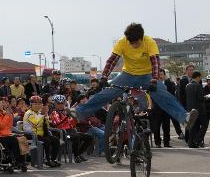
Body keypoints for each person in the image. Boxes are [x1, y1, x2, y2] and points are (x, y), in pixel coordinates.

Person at [67, 23, 198, 131]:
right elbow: (112, 61)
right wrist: (104, 77)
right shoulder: (122, 42)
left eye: (136, 43)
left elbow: (155, 62)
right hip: (127, 74)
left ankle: (184, 118)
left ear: (142, 38)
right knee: (107, 92)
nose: (134, 45)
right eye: (132, 43)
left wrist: (154, 80)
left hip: (146, 75)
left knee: (162, 92)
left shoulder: (149, 42)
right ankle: (80, 112)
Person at [0, 96, 26, 169]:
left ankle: (21, 162)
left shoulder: (0, 112)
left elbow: (9, 125)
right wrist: (6, 115)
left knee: (21, 138)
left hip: (4, 134)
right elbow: (1, 126)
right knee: (14, 140)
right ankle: (16, 161)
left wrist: (8, 114)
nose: (1, 104)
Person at [50, 95, 93, 163]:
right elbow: (57, 124)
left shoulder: (65, 112)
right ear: (55, 104)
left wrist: (75, 118)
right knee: (76, 137)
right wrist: (67, 116)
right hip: (62, 135)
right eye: (58, 103)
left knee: (89, 137)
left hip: (71, 132)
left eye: (62, 103)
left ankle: (79, 153)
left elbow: (72, 124)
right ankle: (76, 156)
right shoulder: (54, 113)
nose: (61, 105)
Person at [23, 95, 61, 167]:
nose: (38, 105)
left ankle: (53, 159)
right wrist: (43, 115)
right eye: (35, 104)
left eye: (39, 103)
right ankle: (47, 160)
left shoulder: (39, 113)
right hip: (31, 135)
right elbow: (36, 123)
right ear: (31, 105)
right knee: (47, 140)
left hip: (41, 134)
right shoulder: (29, 113)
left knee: (55, 140)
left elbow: (46, 125)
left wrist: (45, 117)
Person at [161, 69, 184, 140]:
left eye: (162, 74)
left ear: (165, 74)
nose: (160, 76)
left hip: (170, 105)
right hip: (163, 105)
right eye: (159, 74)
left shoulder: (170, 83)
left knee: (174, 120)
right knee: (164, 122)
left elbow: (172, 93)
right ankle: (166, 136)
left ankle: (180, 133)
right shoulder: (158, 83)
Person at [186, 71, 206, 148]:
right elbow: (200, 98)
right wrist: (206, 97)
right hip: (199, 109)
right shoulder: (198, 86)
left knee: (193, 126)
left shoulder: (188, 85)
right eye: (200, 77)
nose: (200, 79)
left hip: (190, 109)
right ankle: (197, 140)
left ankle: (191, 142)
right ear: (197, 77)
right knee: (204, 124)